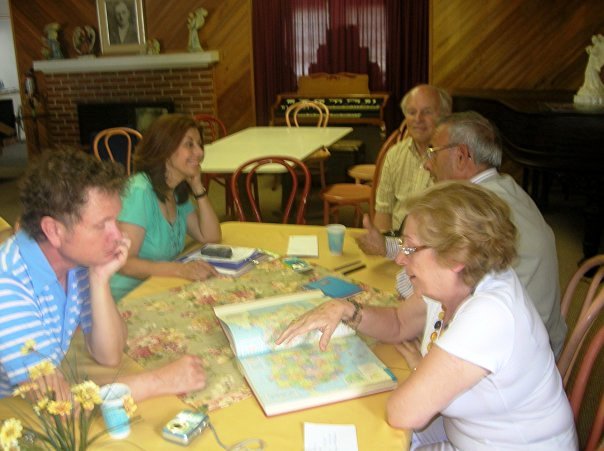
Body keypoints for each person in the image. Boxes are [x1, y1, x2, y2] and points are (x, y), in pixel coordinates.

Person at [278, 182, 578, 450]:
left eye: (410, 247)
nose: (399, 258)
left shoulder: (490, 315)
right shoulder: (456, 282)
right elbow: (399, 323)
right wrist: (345, 309)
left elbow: (403, 412)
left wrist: (423, 370)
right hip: (466, 432)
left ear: (457, 255)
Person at [0, 147, 206, 401]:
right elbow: (55, 405)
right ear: (53, 230)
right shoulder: (8, 287)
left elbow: (109, 354)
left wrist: (100, 280)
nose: (118, 236)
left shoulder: (75, 261)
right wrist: (159, 381)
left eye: (116, 221)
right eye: (101, 225)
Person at [357, 111, 567, 357]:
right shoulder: (503, 189)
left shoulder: (476, 210)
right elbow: (435, 249)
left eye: (433, 152)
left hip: (514, 353)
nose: (426, 164)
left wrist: (402, 277)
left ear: (461, 156)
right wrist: (386, 247)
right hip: (530, 335)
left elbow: (421, 291)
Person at [110, 114, 221, 301]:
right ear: (165, 149)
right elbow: (124, 262)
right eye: (189, 144)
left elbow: (210, 236)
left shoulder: (175, 191)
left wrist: (197, 187)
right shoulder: (140, 191)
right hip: (126, 299)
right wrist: (179, 270)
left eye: (199, 144)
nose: (200, 152)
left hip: (159, 288)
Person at [373, 84, 452, 232]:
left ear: (445, 115)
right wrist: (385, 248)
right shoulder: (394, 155)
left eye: (427, 112)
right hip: (396, 246)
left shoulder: (453, 159)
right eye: (411, 112)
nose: (418, 119)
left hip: (433, 248)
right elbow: (383, 212)